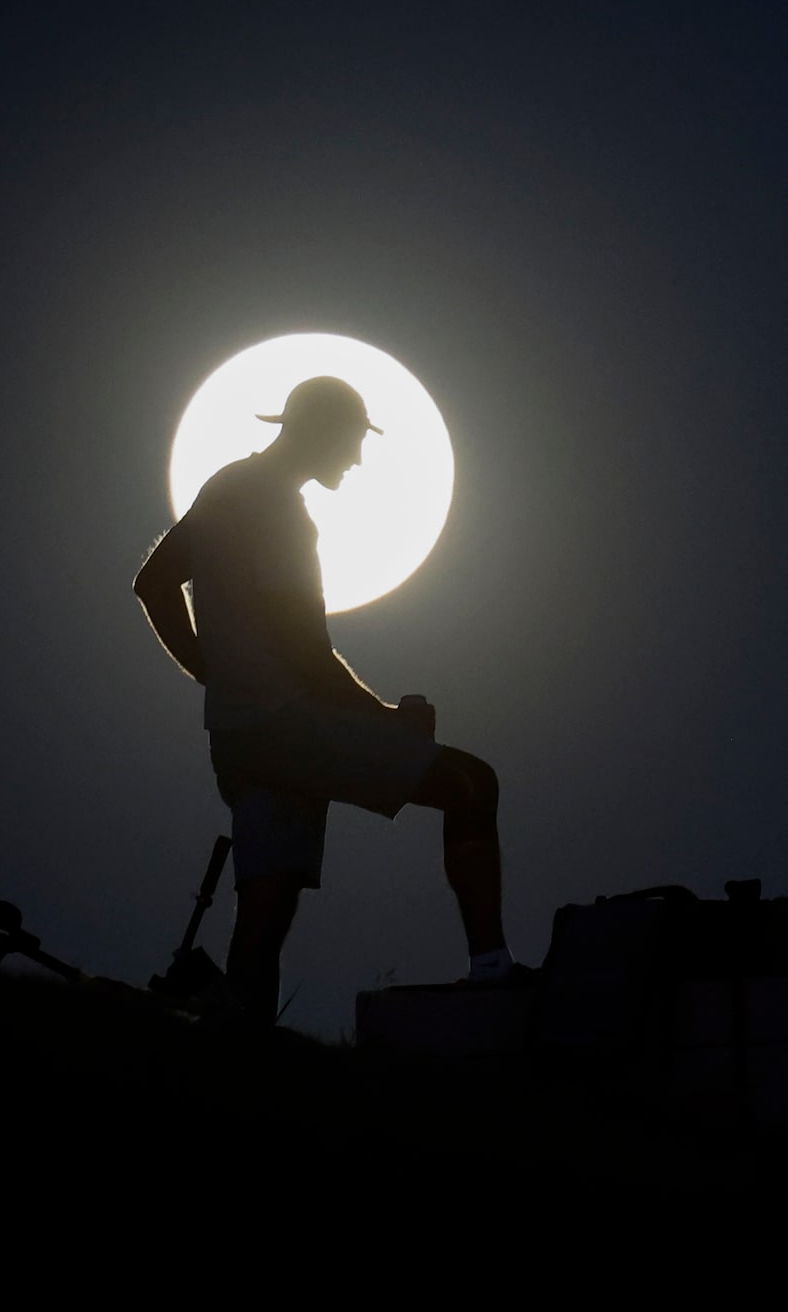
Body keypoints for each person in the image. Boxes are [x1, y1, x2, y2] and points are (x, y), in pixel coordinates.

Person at [133, 375, 520, 1021]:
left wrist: (213, 674)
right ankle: (493, 971)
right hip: (289, 725)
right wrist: (388, 720)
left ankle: (240, 1025)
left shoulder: (226, 485)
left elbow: (152, 584)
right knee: (471, 785)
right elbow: (307, 652)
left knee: (270, 890)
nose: (356, 458)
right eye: (350, 441)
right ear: (317, 432)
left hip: (235, 737)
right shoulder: (281, 511)